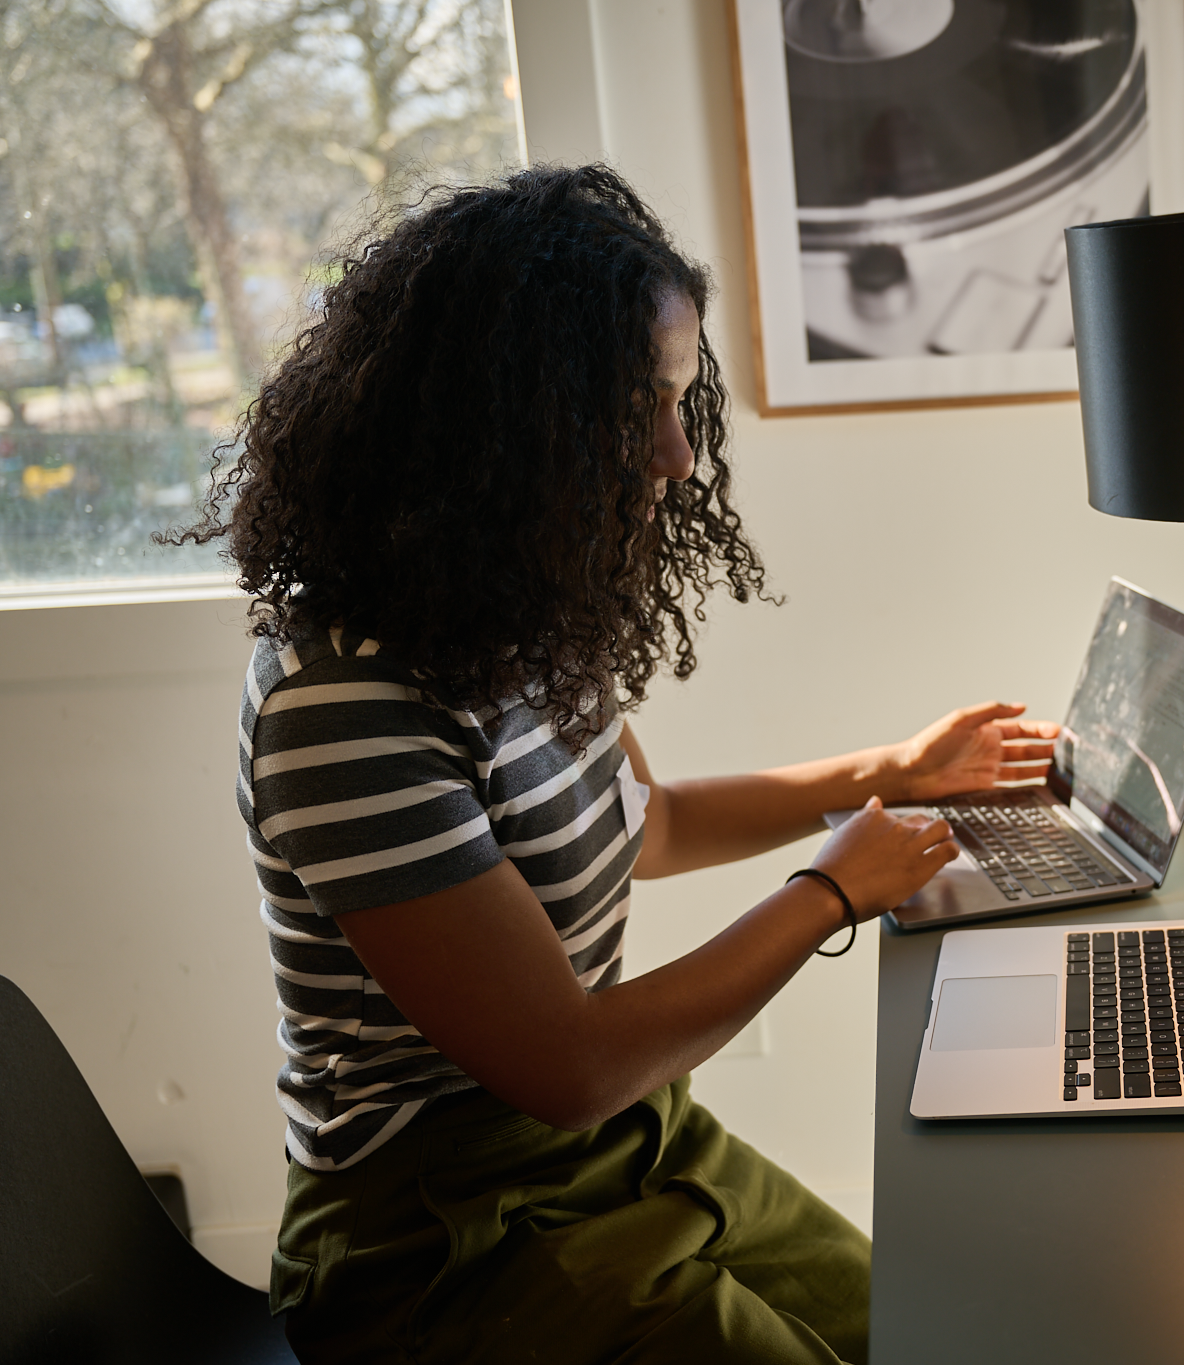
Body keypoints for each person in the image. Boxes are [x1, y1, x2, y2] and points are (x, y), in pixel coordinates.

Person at [173, 164, 1058, 1364]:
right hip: (440, 1239)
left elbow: (646, 827)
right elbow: (571, 1067)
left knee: (926, 1336)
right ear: (498, 426)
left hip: (631, 1140)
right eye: (634, 411)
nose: (675, 458)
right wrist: (830, 893)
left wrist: (891, 770)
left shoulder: (509, 613)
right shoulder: (338, 712)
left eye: (680, 405)